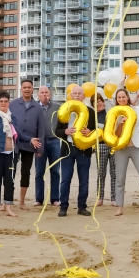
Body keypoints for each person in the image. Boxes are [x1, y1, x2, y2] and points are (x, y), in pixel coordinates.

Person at [111, 89, 139, 217]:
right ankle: (120, 207)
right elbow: (115, 134)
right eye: (119, 97)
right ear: (116, 99)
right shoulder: (114, 113)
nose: (121, 99)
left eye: (123, 97)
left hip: (138, 146)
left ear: (127, 97)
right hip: (121, 149)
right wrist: (119, 124)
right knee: (120, 179)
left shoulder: (136, 110)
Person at [55, 86, 95, 217]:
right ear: (71, 95)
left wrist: (89, 132)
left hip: (84, 150)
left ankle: (82, 207)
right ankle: (63, 206)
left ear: (84, 96)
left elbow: (95, 131)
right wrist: (65, 131)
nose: (77, 95)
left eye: (80, 94)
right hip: (68, 149)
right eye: (75, 93)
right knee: (65, 179)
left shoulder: (90, 111)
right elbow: (57, 131)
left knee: (84, 180)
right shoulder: (64, 110)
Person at [9, 80, 45, 210]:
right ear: (21, 89)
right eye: (24, 87)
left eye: (29, 87)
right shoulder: (12, 104)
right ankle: (7, 201)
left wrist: (40, 147)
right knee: (10, 172)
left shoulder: (38, 107)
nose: (27, 89)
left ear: (32, 89)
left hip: (31, 145)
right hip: (13, 144)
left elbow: (41, 128)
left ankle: (22, 201)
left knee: (26, 172)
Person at [34, 85, 62, 207]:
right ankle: (39, 199)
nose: (44, 94)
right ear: (38, 95)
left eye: (46, 92)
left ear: (49, 94)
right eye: (42, 92)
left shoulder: (57, 107)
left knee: (55, 171)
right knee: (39, 172)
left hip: (54, 141)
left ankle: (55, 198)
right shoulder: (34, 107)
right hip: (40, 142)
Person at [94, 92, 116, 206]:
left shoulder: (109, 112)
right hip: (101, 146)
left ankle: (114, 198)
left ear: (103, 101)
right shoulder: (92, 116)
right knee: (101, 173)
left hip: (113, 145)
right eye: (95, 102)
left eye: (99, 101)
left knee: (114, 173)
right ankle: (100, 197)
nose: (98, 104)